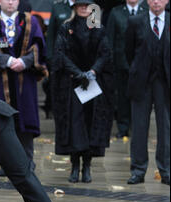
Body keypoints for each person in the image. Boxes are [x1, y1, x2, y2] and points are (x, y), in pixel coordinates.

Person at [0, 0, 48, 175]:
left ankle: (28, 160)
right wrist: (6, 60)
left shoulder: (31, 21)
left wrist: (24, 61)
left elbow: (39, 46)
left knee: (26, 120)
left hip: (25, 79)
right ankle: (5, 163)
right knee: (2, 122)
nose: (10, 2)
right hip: (0, 80)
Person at [50, 0, 114, 183]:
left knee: (90, 124)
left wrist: (92, 72)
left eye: (87, 5)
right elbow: (60, 53)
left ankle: (87, 165)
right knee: (74, 125)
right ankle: (75, 165)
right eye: (80, 5)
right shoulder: (66, 28)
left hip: (94, 83)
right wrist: (77, 73)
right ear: (75, 8)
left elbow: (105, 53)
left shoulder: (98, 29)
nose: (84, 8)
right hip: (71, 83)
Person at [125, 0, 170, 186]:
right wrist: (137, 70)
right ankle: (138, 170)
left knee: (166, 128)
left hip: (165, 82)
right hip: (141, 82)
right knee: (139, 128)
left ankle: (166, 170)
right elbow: (128, 51)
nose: (156, 2)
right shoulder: (135, 21)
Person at [106, 0, 147, 139]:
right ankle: (123, 127)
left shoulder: (146, 10)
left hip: (142, 63)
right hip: (121, 63)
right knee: (122, 97)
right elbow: (110, 38)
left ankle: (138, 127)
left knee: (141, 98)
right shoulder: (116, 12)